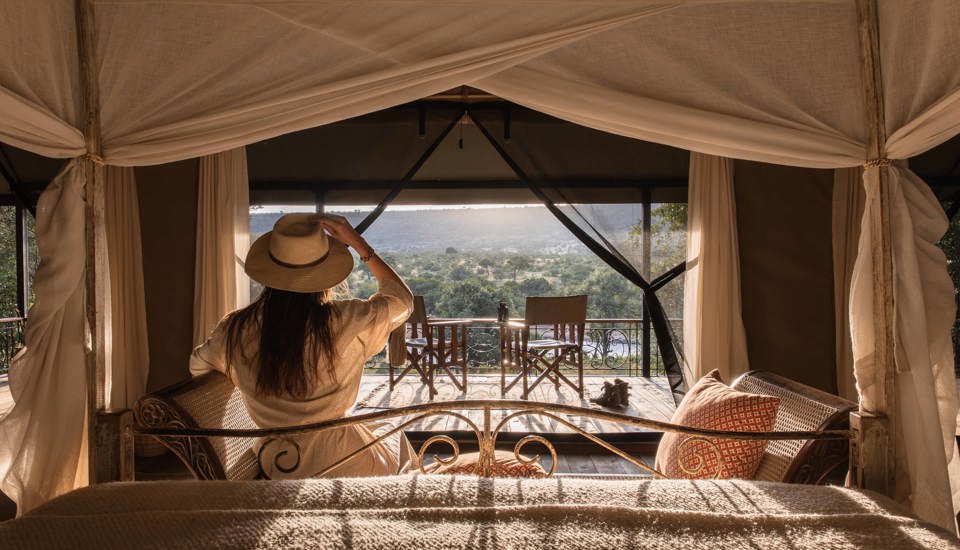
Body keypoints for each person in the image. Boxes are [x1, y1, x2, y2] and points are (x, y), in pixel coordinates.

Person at [189, 212, 415, 479]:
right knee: (396, 436)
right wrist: (358, 244)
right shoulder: (345, 320)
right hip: (341, 461)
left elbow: (198, 367)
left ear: (270, 273)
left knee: (382, 430)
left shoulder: (235, 329)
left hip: (278, 464)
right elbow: (402, 300)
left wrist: (249, 377)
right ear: (325, 272)